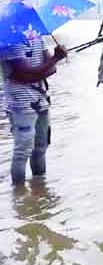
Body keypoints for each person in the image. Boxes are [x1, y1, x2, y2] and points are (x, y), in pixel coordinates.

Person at [1, 35, 67, 184]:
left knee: (41, 147)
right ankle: (18, 192)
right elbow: (25, 71)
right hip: (20, 104)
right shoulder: (7, 40)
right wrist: (55, 59)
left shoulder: (37, 37)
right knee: (22, 151)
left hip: (41, 100)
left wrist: (36, 73)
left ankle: (39, 188)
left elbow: (48, 70)